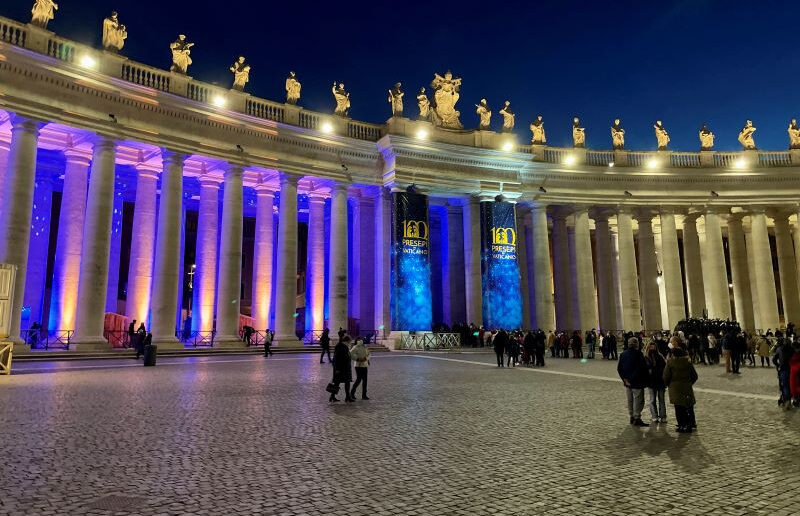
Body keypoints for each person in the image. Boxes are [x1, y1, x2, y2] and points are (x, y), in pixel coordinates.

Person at [663, 342, 699, 433]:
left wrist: (668, 384)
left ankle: (682, 425)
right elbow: (694, 376)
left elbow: (666, 376)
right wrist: (689, 383)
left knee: (678, 408)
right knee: (688, 406)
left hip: (675, 388)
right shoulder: (688, 362)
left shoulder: (670, 363)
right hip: (686, 386)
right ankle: (690, 423)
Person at [617, 337, 650, 427]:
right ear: (636, 344)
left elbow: (619, 368)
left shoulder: (623, 354)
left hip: (627, 383)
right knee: (638, 400)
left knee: (630, 400)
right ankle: (637, 418)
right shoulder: (638, 354)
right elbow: (641, 368)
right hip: (637, 382)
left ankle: (631, 416)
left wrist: (624, 379)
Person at [645, 341, 667, 424]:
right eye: (650, 346)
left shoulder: (660, 356)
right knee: (652, 400)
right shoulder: (646, 357)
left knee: (661, 400)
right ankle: (654, 416)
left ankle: (663, 416)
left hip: (660, 381)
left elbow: (664, 368)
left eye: (653, 346)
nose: (652, 348)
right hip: (651, 381)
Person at [773, 335, 795, 409]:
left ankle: (787, 400)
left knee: (784, 386)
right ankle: (794, 399)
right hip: (792, 369)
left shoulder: (779, 349)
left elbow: (774, 359)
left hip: (783, 369)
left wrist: (778, 365)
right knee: (792, 384)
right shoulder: (792, 349)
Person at [330, 337, 354, 402]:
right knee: (338, 382)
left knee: (344, 382)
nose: (350, 343)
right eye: (350, 341)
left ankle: (346, 396)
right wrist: (337, 369)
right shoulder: (342, 347)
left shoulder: (344, 347)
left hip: (345, 368)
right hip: (341, 368)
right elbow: (337, 359)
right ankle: (333, 396)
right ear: (347, 341)